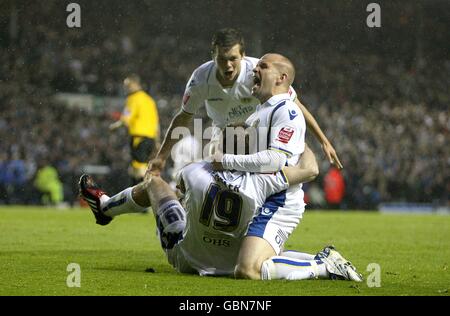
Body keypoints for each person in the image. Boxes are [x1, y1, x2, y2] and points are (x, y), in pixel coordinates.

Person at [79, 145, 362, 282]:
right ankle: (320, 261)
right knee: (265, 242)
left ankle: (106, 208)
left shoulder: (193, 171)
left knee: (155, 184)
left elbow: (178, 193)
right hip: (239, 260)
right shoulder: (262, 180)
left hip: (187, 257)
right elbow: (311, 170)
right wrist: (300, 142)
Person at [148, 28, 343, 178]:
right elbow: (183, 118)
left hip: (259, 131)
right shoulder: (200, 80)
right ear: (213, 56)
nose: (228, 65)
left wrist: (324, 141)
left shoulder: (259, 71)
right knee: (215, 178)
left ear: (243, 55)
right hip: (225, 134)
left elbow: (295, 104)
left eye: (233, 58)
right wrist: (161, 157)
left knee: (273, 173)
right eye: (222, 59)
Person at [110, 74, 160, 184]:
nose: (125, 88)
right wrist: (157, 141)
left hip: (139, 138)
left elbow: (126, 118)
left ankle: (142, 193)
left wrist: (115, 126)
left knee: (139, 168)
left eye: (127, 85)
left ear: (134, 84)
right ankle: (140, 191)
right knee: (139, 167)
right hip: (150, 139)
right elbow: (156, 123)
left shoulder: (133, 98)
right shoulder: (150, 100)